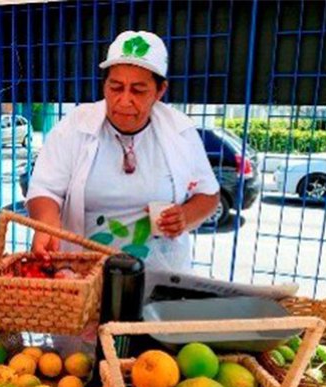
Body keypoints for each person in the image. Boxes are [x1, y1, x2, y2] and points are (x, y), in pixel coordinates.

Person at [25, 30, 220, 272]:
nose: (125, 100)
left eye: (138, 90)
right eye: (116, 87)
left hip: (158, 275)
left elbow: (209, 194)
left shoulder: (180, 132)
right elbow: (44, 189)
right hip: (84, 274)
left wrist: (185, 216)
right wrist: (46, 224)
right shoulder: (75, 126)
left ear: (160, 91)